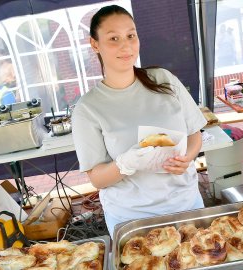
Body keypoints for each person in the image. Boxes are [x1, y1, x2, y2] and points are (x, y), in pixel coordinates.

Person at [71, 5, 207, 237]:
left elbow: (194, 134)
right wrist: (125, 164)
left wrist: (187, 158)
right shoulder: (88, 109)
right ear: (95, 44)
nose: (125, 46)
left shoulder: (163, 80)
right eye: (113, 38)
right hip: (132, 221)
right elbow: (97, 179)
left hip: (186, 206)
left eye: (131, 36)